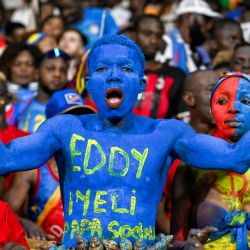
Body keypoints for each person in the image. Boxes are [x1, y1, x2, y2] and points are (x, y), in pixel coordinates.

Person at [0, 35, 249, 248]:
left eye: (126, 69)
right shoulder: (64, 128)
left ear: (141, 84)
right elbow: (7, 158)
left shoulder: (167, 133)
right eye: (102, 69)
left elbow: (235, 158)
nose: (114, 77)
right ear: (89, 84)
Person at [4, 89, 96, 243]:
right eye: (68, 120)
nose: (77, 126)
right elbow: (5, 213)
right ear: (50, 126)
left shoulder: (100, 166)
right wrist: (24, 222)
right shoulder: (34, 169)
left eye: (82, 119)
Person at [171, 72, 250, 249]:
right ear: (212, 109)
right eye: (222, 101)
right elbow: (176, 239)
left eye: (245, 101)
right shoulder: (190, 164)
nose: (233, 109)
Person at [133, 14, 188, 120]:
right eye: (147, 34)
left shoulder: (176, 75)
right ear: (133, 35)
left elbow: (182, 119)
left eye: (158, 36)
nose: (154, 40)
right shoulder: (118, 71)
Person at [13, 48, 69, 133]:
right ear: (37, 73)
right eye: (50, 69)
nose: (57, 74)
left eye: (63, 70)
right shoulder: (19, 104)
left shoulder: (73, 108)